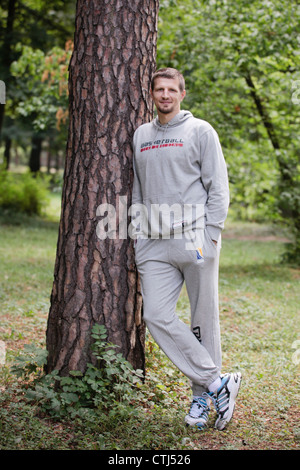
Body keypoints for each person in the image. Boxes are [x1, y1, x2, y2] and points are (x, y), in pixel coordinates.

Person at [131, 67, 241, 431]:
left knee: (202, 320)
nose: (165, 95)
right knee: (155, 316)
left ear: (182, 93)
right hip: (153, 243)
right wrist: (137, 235)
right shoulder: (141, 135)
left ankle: (199, 400)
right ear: (152, 94)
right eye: (159, 89)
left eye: (171, 90)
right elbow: (137, 189)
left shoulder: (200, 131)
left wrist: (211, 235)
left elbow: (218, 187)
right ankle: (216, 382)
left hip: (195, 238)